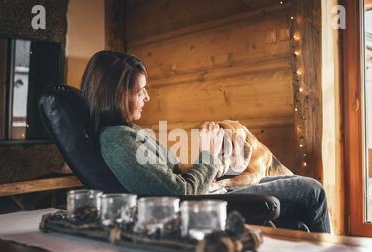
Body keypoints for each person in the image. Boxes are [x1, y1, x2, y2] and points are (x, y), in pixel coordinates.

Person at [80, 51, 331, 233]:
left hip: (209, 190)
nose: (147, 97)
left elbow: (174, 175)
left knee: (296, 187)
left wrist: (217, 166)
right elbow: (182, 194)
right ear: (116, 95)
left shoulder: (128, 132)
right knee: (312, 190)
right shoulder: (118, 142)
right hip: (202, 204)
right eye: (139, 91)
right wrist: (208, 154)